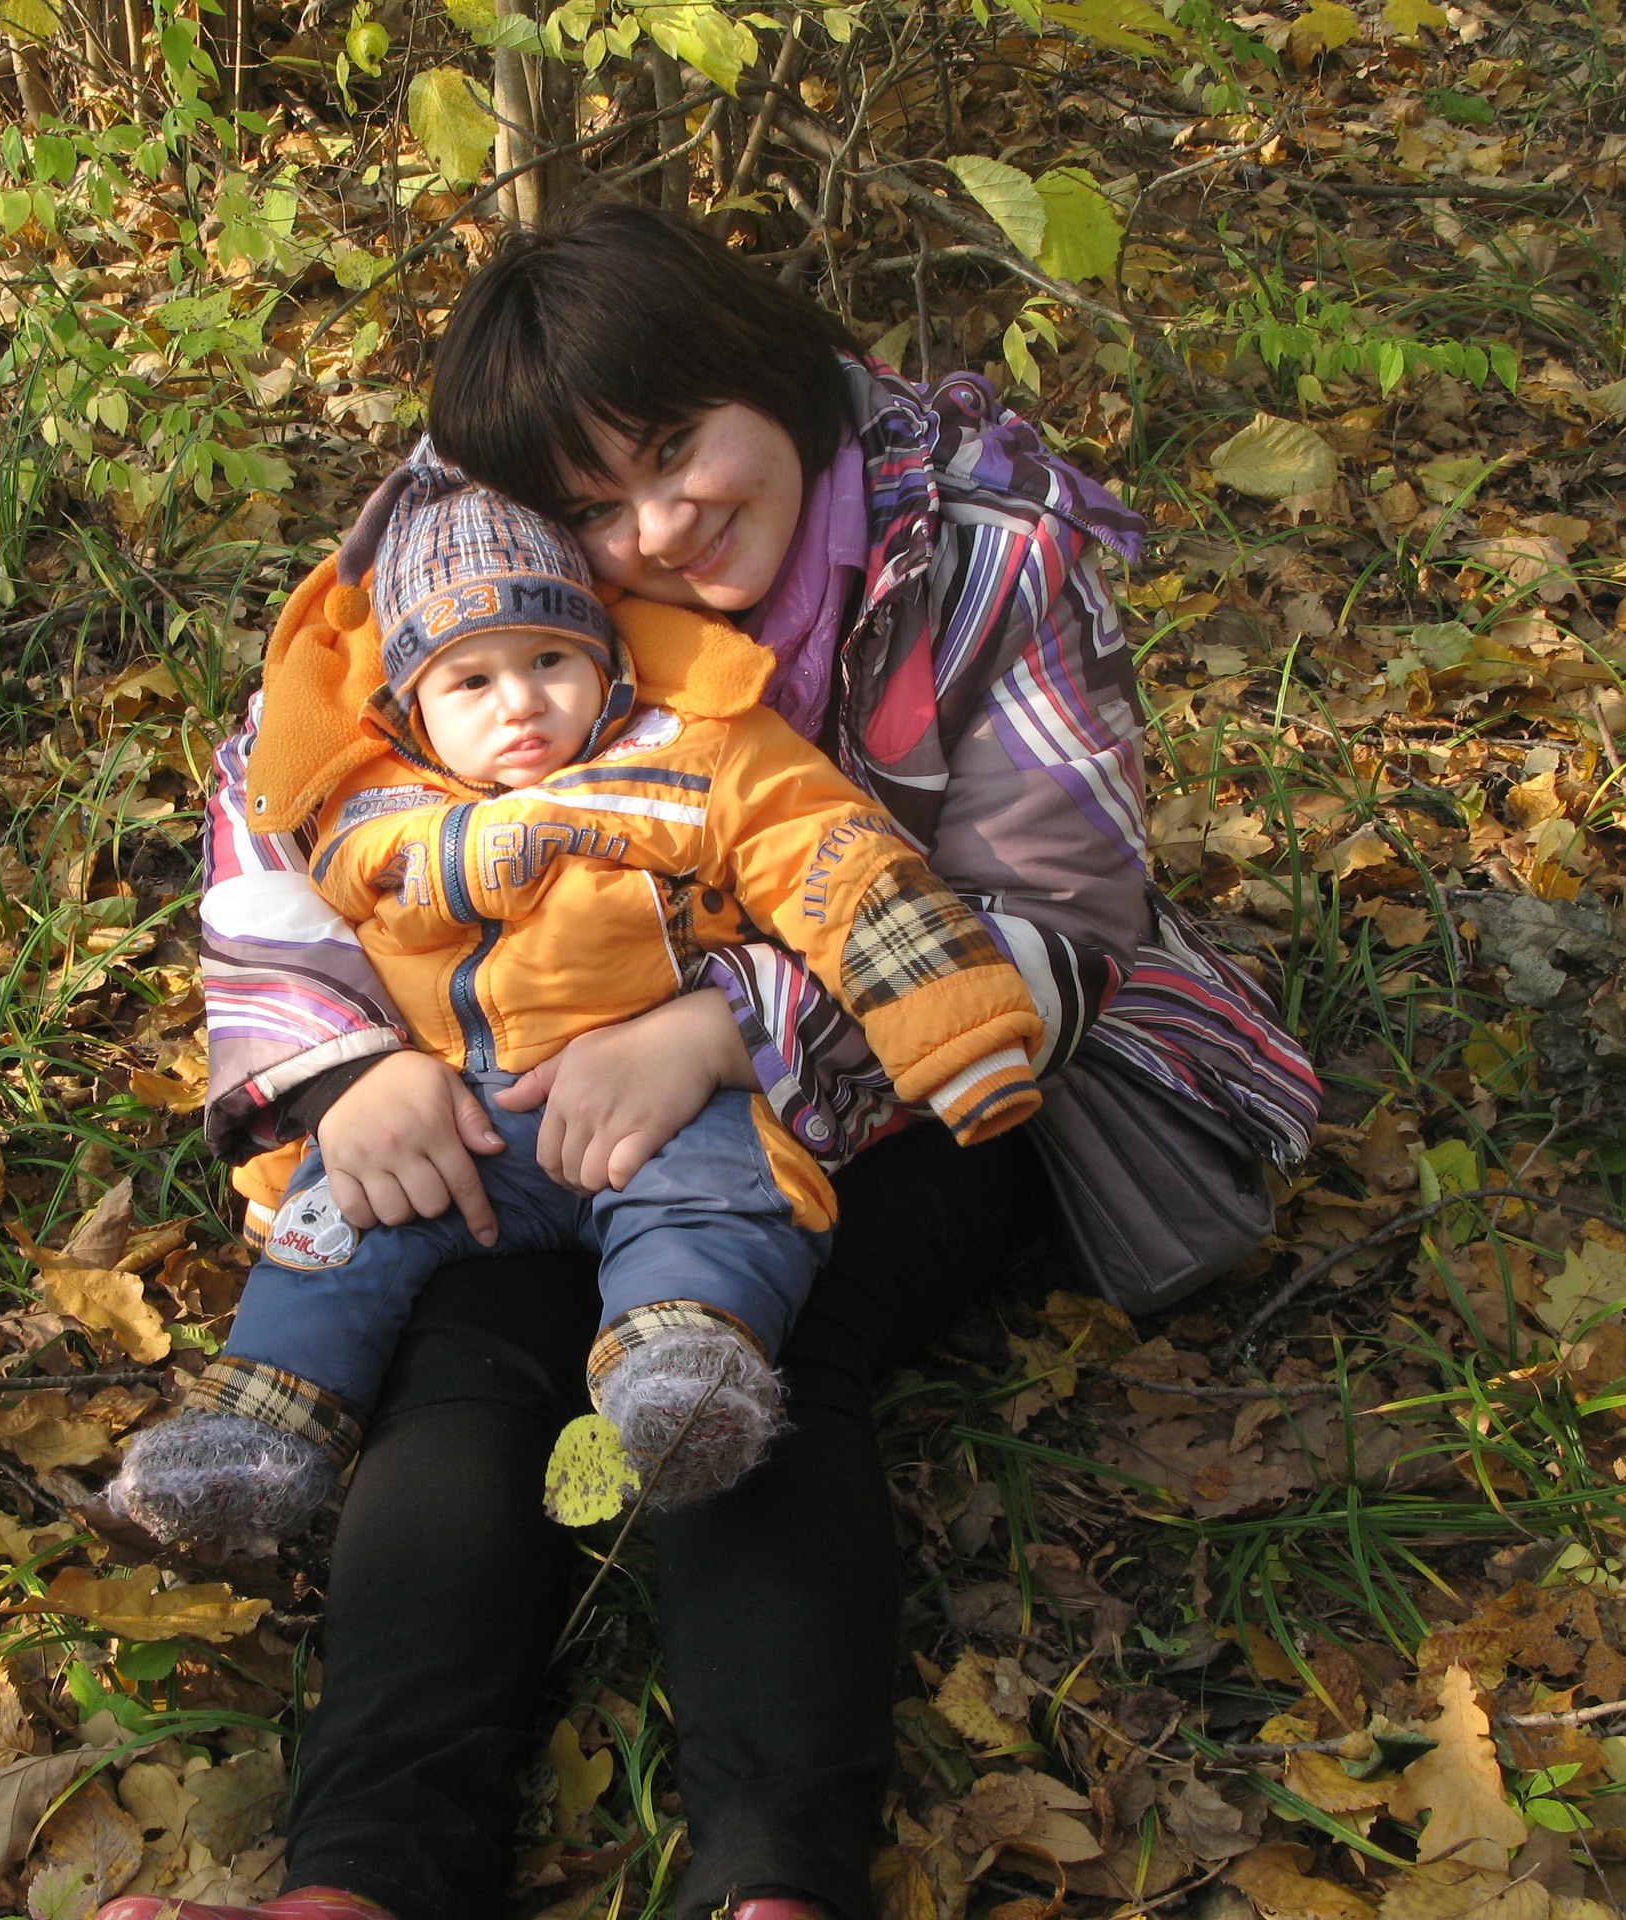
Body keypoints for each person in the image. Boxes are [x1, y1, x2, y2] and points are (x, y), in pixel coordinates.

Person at [107, 202, 1319, 1920]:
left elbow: (1064, 924)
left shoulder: (984, 550)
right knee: (471, 1344)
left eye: (679, 450)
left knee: (758, 1346)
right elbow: (285, 796)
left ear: (773, 368)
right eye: (597, 508)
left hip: (936, 1069)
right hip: (537, 1065)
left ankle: (771, 1881)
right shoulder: (472, 528)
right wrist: (346, 1071)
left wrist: (720, 1030)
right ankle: (360, 1885)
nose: (656, 528)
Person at [112, 458, 1046, 1546]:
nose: (519, 702)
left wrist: (961, 1032)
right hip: (452, 1124)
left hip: (656, 1107)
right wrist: (338, 1082)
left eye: (549, 659)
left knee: (718, 1200)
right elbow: (272, 923)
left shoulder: (693, 752)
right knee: (341, 1228)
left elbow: (837, 860)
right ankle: (259, 1429)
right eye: (470, 681)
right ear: (408, 710)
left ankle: (681, 1370)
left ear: (606, 660)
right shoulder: (361, 802)